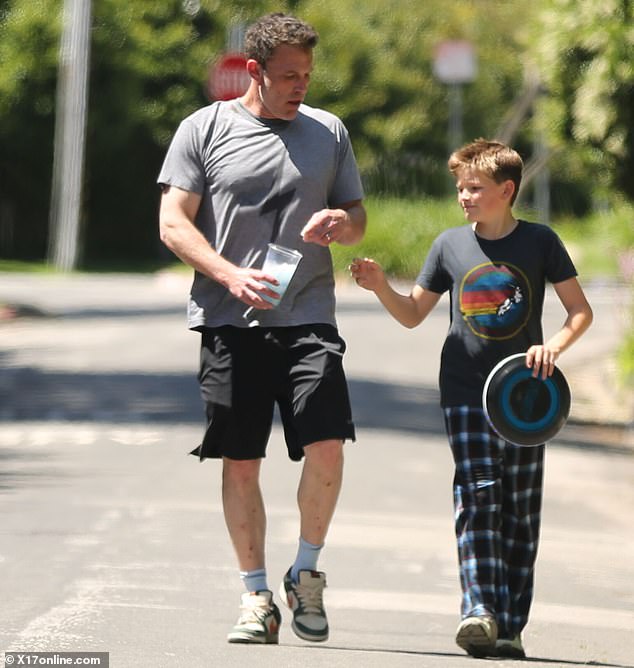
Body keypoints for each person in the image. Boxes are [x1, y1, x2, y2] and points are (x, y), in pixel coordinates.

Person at [157, 13, 366, 645]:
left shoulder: (328, 131)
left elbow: (357, 216)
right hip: (231, 320)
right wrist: (227, 274)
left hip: (307, 315)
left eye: (307, 74)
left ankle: (305, 573)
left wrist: (341, 222)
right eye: (288, 76)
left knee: (327, 444)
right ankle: (255, 596)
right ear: (254, 72)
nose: (300, 85)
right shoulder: (204, 128)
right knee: (241, 461)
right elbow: (173, 222)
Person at [350, 139, 592, 659]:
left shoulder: (540, 242)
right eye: (460, 187)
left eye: (474, 188)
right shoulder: (448, 246)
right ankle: (479, 609)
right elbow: (414, 314)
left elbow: (579, 312)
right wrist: (378, 287)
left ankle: (510, 624)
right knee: (478, 492)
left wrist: (553, 347)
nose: (464, 196)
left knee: (520, 511)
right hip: (464, 388)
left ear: (506, 190)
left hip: (526, 396)